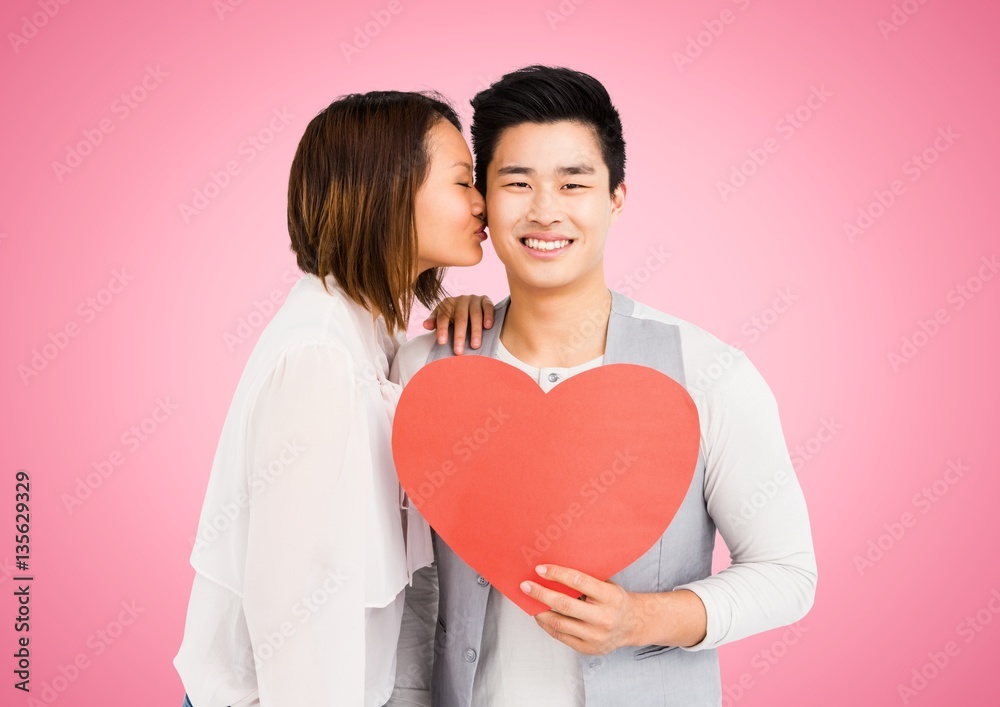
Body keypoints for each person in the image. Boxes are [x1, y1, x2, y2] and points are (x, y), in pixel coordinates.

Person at [390, 66, 817, 707]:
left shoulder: (708, 372)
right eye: (517, 182)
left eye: (573, 182)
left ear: (616, 197)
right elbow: (408, 586)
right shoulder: (426, 367)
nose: (545, 210)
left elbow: (788, 575)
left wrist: (641, 619)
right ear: (483, 199)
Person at [174, 90, 496, 707]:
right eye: (462, 183)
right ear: (388, 191)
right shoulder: (319, 359)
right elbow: (290, 606)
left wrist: (463, 317)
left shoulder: (363, 333)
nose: (482, 202)